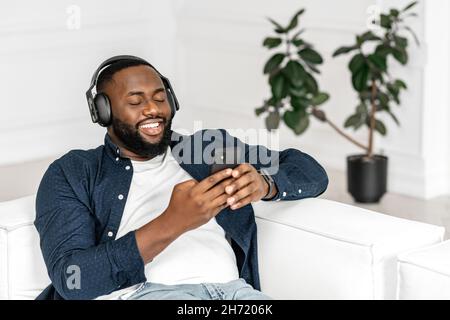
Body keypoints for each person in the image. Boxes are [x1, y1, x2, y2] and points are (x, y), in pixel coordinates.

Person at [34, 55, 329, 300]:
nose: (153, 109)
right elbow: (72, 279)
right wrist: (173, 222)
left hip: (236, 294)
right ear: (104, 111)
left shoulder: (206, 149)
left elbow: (310, 171)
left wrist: (267, 184)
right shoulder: (72, 171)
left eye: (160, 98)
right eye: (135, 101)